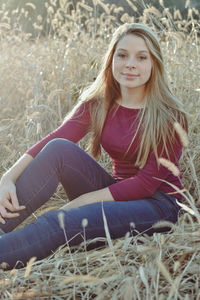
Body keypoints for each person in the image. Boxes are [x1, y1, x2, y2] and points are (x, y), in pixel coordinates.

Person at [0, 23, 187, 270]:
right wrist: (7, 178)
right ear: (111, 60)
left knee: (58, 221)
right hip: (116, 191)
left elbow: (146, 184)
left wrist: (82, 202)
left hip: (157, 206)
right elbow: (54, 139)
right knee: (59, 149)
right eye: (122, 55)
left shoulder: (170, 116)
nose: (130, 63)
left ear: (154, 64)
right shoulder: (99, 104)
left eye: (141, 57)